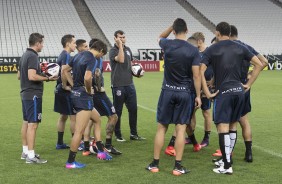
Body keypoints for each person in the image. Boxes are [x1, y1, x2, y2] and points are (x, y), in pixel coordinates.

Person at [200, 22, 263, 174]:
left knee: (222, 127)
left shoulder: (212, 48)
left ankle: (227, 166)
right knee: (233, 125)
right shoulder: (241, 47)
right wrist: (248, 84)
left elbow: (200, 71)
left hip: (224, 92)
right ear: (230, 32)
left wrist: (207, 93)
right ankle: (226, 159)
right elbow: (260, 64)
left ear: (217, 33)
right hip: (239, 92)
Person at [146, 18, 202, 176]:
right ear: (187, 30)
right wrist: (198, 95)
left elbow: (160, 37)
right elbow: (197, 76)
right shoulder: (193, 51)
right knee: (181, 129)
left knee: (162, 128)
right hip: (184, 93)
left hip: (167, 91)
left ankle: (155, 164)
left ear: (174, 30)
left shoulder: (167, 44)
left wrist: (171, 27)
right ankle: (177, 166)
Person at [62, 39, 112, 169]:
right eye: (102, 54)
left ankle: (100, 151)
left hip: (76, 94)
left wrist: (74, 86)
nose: (101, 57)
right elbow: (87, 77)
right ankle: (70, 162)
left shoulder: (78, 55)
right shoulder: (92, 59)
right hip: (83, 98)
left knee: (97, 119)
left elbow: (65, 70)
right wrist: (89, 91)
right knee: (79, 131)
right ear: (100, 51)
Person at [18, 33, 57, 164]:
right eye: (42, 43)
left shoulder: (24, 55)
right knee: (33, 125)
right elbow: (32, 76)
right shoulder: (33, 56)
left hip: (25, 93)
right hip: (33, 94)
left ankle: (26, 152)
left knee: (26, 122)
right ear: (37, 43)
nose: (43, 45)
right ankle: (31, 156)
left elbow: (19, 76)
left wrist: (41, 72)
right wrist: (48, 78)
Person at [82, 38, 121, 156]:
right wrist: (98, 88)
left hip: (88, 93)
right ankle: (107, 145)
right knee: (113, 116)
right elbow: (96, 74)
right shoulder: (95, 59)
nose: (103, 55)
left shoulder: (83, 57)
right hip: (98, 94)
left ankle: (86, 147)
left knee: (91, 119)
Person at [109, 30, 145, 141]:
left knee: (133, 109)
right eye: (120, 37)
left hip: (130, 84)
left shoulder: (128, 49)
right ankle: (118, 135)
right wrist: (120, 46)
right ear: (115, 38)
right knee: (118, 111)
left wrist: (137, 72)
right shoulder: (112, 51)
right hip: (118, 85)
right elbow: (121, 59)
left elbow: (130, 64)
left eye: (124, 37)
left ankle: (133, 134)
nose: (123, 39)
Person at [54, 34, 77, 149]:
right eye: (74, 43)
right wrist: (67, 85)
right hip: (65, 90)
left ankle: (59, 143)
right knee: (74, 116)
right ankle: (76, 143)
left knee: (63, 116)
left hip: (59, 89)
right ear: (68, 44)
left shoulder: (62, 54)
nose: (75, 45)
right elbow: (64, 71)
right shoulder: (67, 55)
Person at [192, 32, 213, 147]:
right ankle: (192, 136)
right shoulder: (194, 52)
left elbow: (216, 67)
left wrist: (212, 81)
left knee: (206, 112)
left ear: (199, 41)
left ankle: (206, 137)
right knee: (192, 112)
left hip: (205, 88)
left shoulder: (209, 52)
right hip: (194, 87)